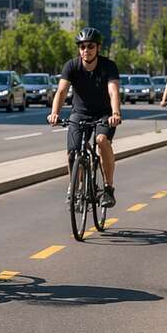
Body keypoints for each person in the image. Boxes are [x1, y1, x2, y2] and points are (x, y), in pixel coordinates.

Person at [48, 27, 123, 209]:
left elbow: (113, 92)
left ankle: (108, 188)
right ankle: (75, 187)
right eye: (82, 46)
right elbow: (61, 91)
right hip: (79, 113)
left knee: (101, 140)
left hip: (104, 114)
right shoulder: (72, 66)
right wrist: (54, 113)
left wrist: (115, 114)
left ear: (98, 47)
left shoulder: (108, 66)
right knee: (73, 152)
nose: (86, 50)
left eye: (90, 46)